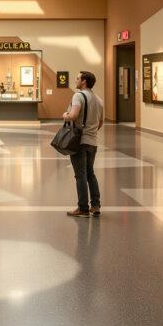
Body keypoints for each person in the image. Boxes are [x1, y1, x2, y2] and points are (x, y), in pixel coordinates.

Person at [63, 71, 104, 218]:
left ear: (84, 81)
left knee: (80, 175)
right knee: (90, 174)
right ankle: (96, 205)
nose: (76, 81)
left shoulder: (78, 96)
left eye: (77, 78)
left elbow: (73, 115)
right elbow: (100, 122)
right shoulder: (98, 100)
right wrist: (91, 132)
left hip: (79, 142)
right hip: (93, 142)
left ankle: (83, 208)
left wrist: (65, 115)